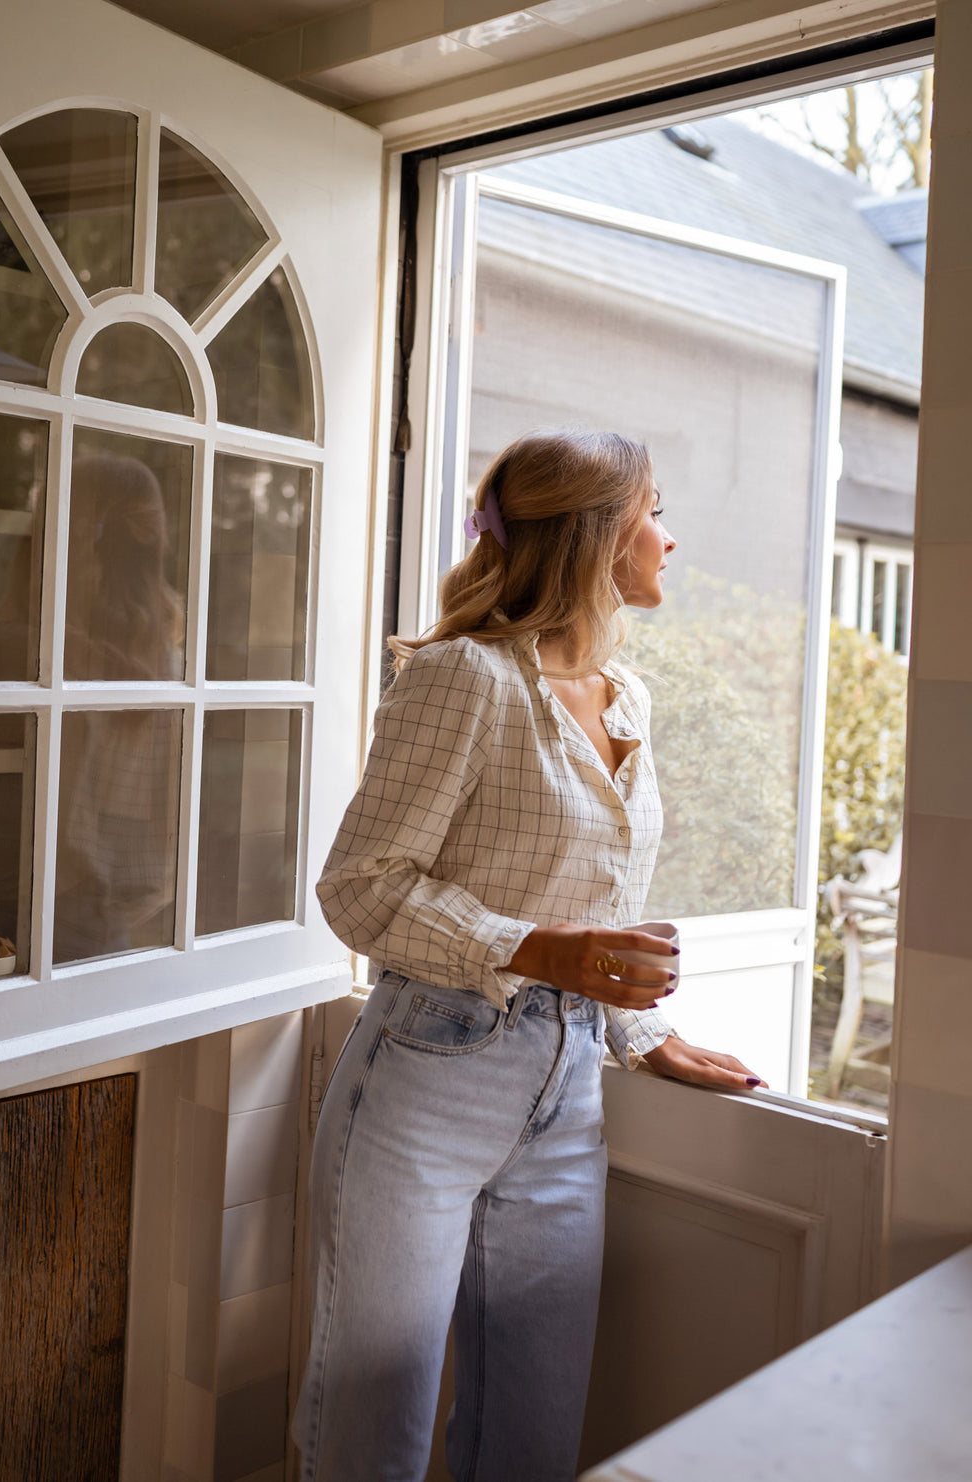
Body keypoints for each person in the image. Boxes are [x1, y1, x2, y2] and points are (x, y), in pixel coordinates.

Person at [292, 429, 767, 1482]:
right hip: (423, 1082)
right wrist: (542, 951)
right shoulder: (462, 679)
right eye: (654, 511)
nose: (670, 539)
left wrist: (644, 1032)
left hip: (567, 1093)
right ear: (599, 536)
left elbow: (608, 904)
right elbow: (359, 890)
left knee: (532, 1435)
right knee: (374, 1436)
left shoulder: (623, 697)